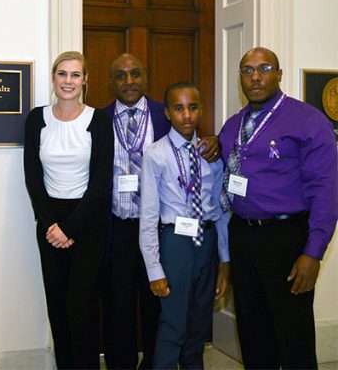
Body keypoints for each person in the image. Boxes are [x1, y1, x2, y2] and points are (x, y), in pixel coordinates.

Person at [219, 47, 338, 369]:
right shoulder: (231, 126)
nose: (255, 77)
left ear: (280, 74)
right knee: (253, 332)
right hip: (243, 236)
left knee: (293, 336)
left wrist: (313, 253)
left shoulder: (308, 121)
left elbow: (326, 191)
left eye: (264, 68)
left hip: (287, 240)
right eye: (247, 70)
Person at [100, 53, 219, 369]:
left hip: (165, 230)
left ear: (145, 78)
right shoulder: (99, 119)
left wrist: (216, 142)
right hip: (119, 227)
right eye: (121, 75)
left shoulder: (163, 113)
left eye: (135, 74)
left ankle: (155, 363)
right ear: (110, 81)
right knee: (119, 307)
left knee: (162, 307)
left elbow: (203, 158)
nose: (129, 81)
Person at [23, 51, 113, 369]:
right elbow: (33, 178)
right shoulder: (37, 119)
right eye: (62, 74)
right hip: (49, 223)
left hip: (87, 223)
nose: (68, 81)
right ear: (53, 78)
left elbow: (101, 183)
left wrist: (70, 229)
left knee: (83, 308)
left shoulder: (99, 120)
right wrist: (51, 225)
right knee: (58, 308)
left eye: (76, 75)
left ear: (85, 80)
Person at [139, 82, 230, 369]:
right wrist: (154, 268)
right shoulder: (155, 154)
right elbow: (149, 215)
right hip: (175, 243)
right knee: (173, 325)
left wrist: (225, 260)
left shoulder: (211, 155)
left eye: (193, 107)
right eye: (179, 108)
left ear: (201, 110)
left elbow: (221, 211)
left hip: (207, 243)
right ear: (167, 113)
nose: (187, 115)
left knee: (199, 326)